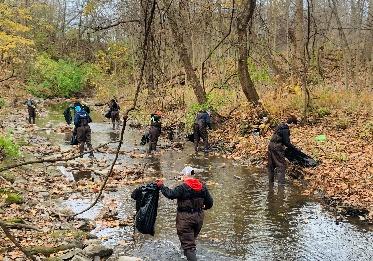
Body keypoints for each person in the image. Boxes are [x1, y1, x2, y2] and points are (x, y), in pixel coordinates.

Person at [156, 167, 213, 261]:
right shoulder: (202, 187)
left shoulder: (182, 188)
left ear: (185, 175)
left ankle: (189, 255)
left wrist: (161, 186)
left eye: (182, 175)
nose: (182, 177)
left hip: (185, 220)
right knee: (190, 241)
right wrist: (202, 208)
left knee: (188, 247)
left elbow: (170, 194)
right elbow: (210, 203)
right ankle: (185, 255)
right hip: (199, 219)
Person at [267, 116, 300, 184]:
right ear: (291, 123)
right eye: (294, 125)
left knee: (271, 165)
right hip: (277, 147)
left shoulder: (280, 126)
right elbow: (286, 142)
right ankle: (281, 185)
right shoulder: (286, 130)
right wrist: (294, 148)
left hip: (270, 146)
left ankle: (271, 183)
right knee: (281, 165)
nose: (293, 127)